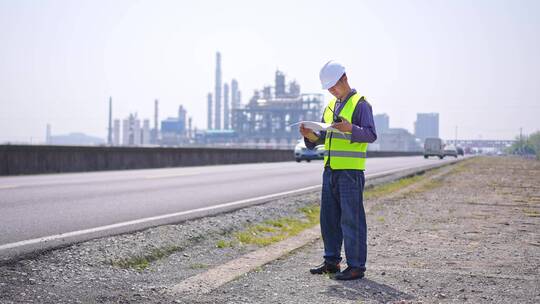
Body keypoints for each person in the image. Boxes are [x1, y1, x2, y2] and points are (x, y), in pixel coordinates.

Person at [300, 60, 377, 280]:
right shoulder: (330, 107)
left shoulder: (360, 104)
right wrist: (310, 136)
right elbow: (323, 137)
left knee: (351, 219)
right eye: (329, 88)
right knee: (329, 218)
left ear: (344, 78)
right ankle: (331, 261)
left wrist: (351, 128)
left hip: (350, 173)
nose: (332, 91)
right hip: (331, 170)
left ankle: (356, 266)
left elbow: (371, 134)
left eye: (334, 86)